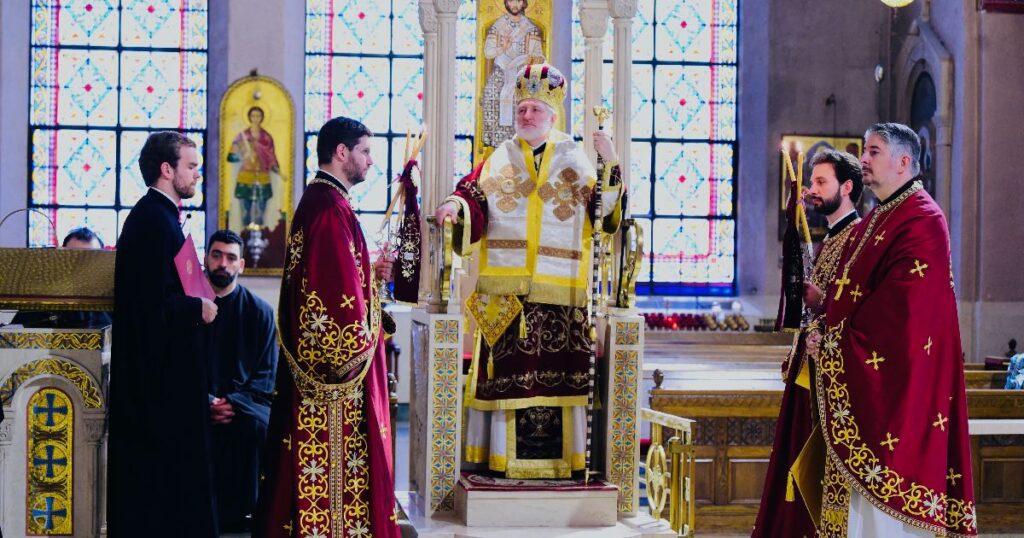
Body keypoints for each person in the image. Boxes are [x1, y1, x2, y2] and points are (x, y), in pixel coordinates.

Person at [435, 63, 622, 479]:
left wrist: (610, 162)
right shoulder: (496, 158)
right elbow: (470, 198)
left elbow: (604, 218)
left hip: (561, 293)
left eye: (536, 109)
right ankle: (500, 461)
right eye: (521, 109)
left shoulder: (575, 157)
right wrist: (453, 207)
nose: (527, 116)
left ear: (553, 115)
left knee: (558, 381)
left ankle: (562, 465)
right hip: (506, 296)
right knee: (507, 378)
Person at [803, 123, 976, 536]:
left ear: (903, 162)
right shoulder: (882, 215)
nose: (863, 158)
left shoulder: (923, 219)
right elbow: (854, 295)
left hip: (897, 392)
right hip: (866, 378)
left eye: (874, 151)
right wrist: (823, 311)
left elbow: (903, 313)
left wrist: (833, 342)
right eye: (865, 150)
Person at [254, 116, 399, 538]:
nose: (371, 162)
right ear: (341, 152)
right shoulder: (330, 208)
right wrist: (364, 341)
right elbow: (332, 308)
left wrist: (370, 273)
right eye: (366, 152)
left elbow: (334, 281)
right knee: (330, 474)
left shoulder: (322, 202)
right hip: (331, 383)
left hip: (314, 374)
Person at [107, 131, 220, 537]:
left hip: (168, 377)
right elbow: (147, 303)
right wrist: (199, 307)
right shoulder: (152, 221)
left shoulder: (161, 217)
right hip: (157, 387)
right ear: (167, 169)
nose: (197, 175)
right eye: (191, 166)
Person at [752, 149, 863, 537]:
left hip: (834, 375)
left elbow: (858, 307)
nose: (812, 191)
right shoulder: (829, 237)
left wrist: (821, 301)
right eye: (811, 182)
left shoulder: (858, 238)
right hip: (809, 366)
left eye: (821, 183)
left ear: (846, 188)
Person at [201, 229, 278, 533]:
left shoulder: (260, 312)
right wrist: (205, 401)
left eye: (231, 257)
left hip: (245, 403)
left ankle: (244, 513)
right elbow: (176, 366)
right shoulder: (189, 307)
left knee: (254, 426)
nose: (223, 263)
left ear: (241, 265)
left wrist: (232, 403)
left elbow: (265, 374)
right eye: (216, 255)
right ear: (206, 259)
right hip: (195, 401)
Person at [10, 227, 112, 328]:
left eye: (91, 256)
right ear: (62, 255)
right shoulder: (41, 290)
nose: (82, 264)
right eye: (74, 256)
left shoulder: (110, 292)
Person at [481, 0, 545, 148]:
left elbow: (539, 56)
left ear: (524, 3)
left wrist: (532, 58)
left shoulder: (531, 29)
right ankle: (496, 146)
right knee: (491, 93)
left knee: (527, 99)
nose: (514, 4)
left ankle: (523, 145)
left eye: (518, 0)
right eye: (511, 0)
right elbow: (488, 52)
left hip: (523, 75)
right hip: (501, 73)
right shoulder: (498, 27)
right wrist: (502, 47)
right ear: (505, 3)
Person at [228, 106, 281, 228]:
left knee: (261, 209)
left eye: (258, 116)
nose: (255, 118)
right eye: (253, 116)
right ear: (249, 117)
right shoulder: (242, 136)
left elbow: (271, 156)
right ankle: (245, 233)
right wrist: (242, 157)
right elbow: (231, 156)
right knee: (245, 209)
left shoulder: (266, 137)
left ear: (262, 118)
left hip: (262, 176)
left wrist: (275, 168)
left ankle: (259, 232)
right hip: (245, 175)